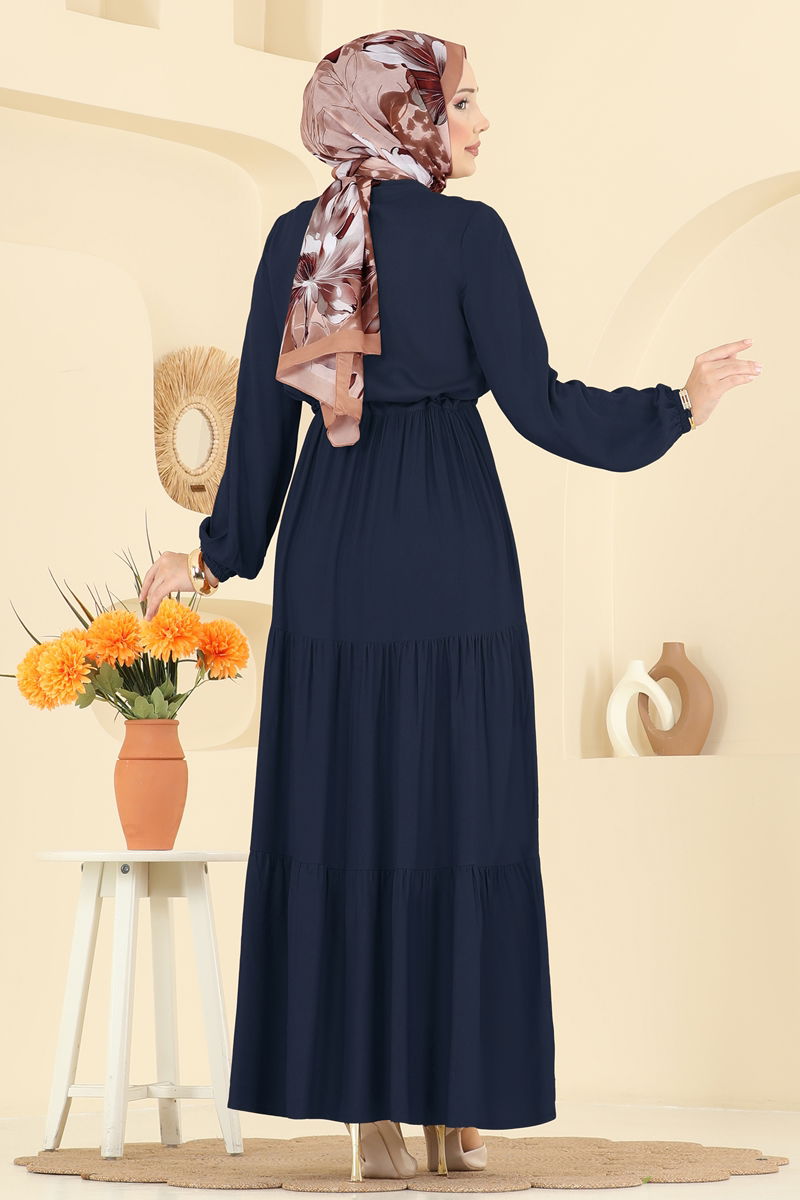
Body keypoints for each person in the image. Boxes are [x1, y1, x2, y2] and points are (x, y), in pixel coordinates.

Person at [138, 29, 761, 1184]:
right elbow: (537, 405)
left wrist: (213, 558)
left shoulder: (296, 240)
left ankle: (367, 1113)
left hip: (334, 545)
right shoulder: (470, 237)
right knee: (455, 815)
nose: (478, 123)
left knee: (344, 817)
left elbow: (262, 431)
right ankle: (449, 1098)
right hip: (450, 541)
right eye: (461, 102)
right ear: (406, 117)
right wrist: (673, 406)